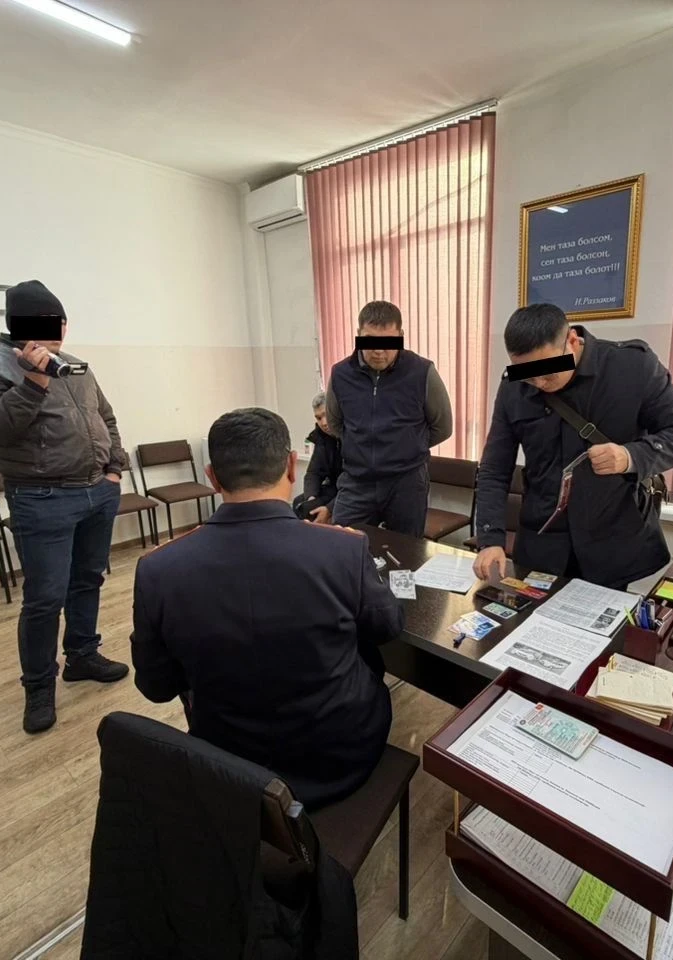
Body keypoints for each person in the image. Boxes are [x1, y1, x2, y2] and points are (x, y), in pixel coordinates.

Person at [130, 407, 403, 807]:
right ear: (291, 467)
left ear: (212, 477)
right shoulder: (343, 548)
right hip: (342, 757)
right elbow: (387, 627)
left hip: (227, 768)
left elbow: (155, 688)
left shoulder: (158, 569)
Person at [0, 280, 129, 735]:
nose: (56, 330)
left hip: (97, 491)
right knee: (45, 599)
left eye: (59, 322)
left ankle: (82, 656)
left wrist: (114, 469)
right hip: (42, 498)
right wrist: (34, 381)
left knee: (88, 580)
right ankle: (38, 687)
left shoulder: (76, 366)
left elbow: (106, 417)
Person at [472, 303, 673, 589]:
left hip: (611, 541)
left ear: (572, 340)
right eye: (529, 375)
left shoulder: (631, 368)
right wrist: (490, 539)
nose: (539, 383)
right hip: (543, 543)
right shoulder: (513, 387)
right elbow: (495, 469)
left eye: (548, 372)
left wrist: (630, 456)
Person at [324, 300, 452, 537]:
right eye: (370, 341)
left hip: (406, 482)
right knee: (343, 543)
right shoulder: (341, 374)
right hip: (357, 480)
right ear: (358, 335)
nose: (378, 351)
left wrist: (407, 446)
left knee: (407, 551)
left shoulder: (422, 371)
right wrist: (363, 447)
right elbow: (336, 423)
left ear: (401, 336)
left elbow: (442, 427)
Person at [300, 391, 342, 524]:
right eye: (318, 418)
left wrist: (329, 509)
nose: (323, 423)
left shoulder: (353, 435)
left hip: (354, 490)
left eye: (326, 415)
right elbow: (313, 473)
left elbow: (356, 481)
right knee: (302, 506)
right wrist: (311, 498)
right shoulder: (321, 438)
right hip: (334, 488)